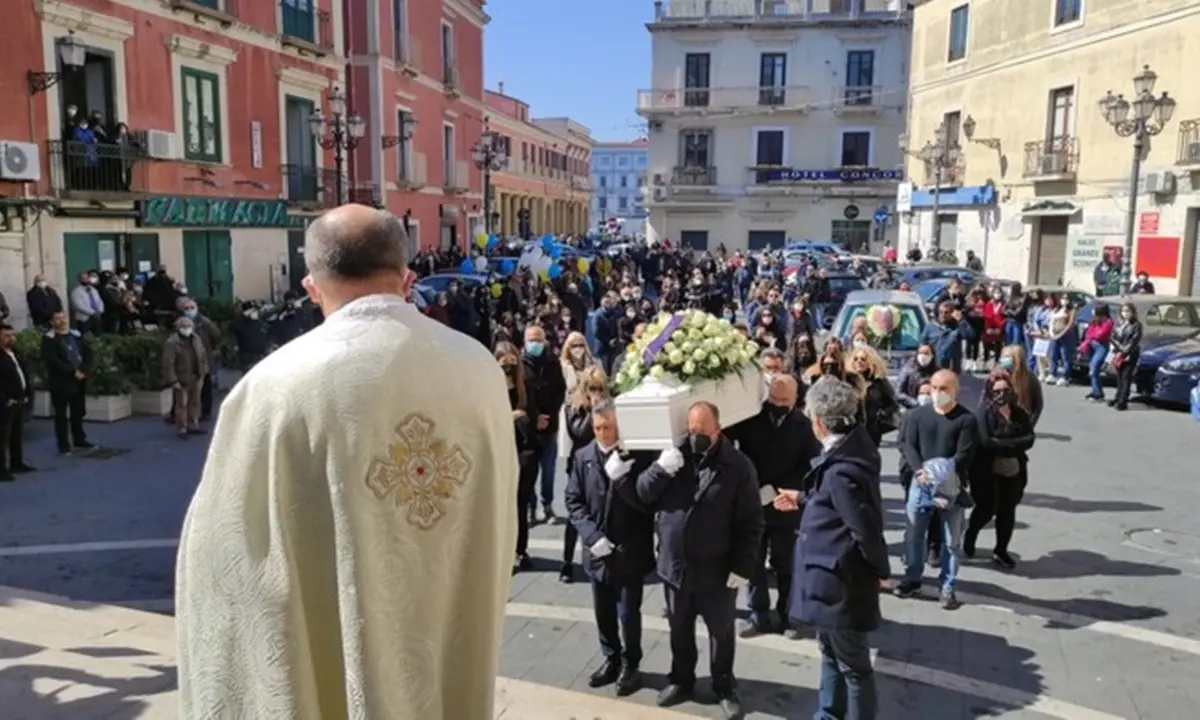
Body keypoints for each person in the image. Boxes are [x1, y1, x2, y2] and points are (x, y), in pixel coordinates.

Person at [175, 205, 518, 718]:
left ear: (312, 287)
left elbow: (225, 553)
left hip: (330, 642)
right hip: (450, 622)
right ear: (406, 278)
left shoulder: (274, 387)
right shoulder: (479, 368)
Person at [634, 402, 763, 718]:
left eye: (702, 432)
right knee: (679, 628)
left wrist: (743, 566)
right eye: (691, 431)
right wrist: (660, 470)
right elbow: (643, 494)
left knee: (720, 632)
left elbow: (751, 521)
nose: (695, 438)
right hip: (675, 567)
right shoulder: (674, 457)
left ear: (718, 430)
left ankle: (723, 685)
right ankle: (681, 679)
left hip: (716, 570)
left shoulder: (738, 466)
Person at [774, 376, 890, 720]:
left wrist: (881, 570)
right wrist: (803, 498)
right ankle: (828, 713)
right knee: (830, 651)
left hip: (838, 579)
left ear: (820, 423)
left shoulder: (842, 470)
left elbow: (864, 528)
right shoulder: (852, 451)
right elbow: (837, 504)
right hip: (832, 577)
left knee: (853, 666)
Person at [564, 400, 655, 697]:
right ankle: (611, 658)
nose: (603, 433)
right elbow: (574, 501)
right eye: (598, 427)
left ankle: (631, 663)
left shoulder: (636, 456)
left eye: (608, 427)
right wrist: (592, 537)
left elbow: (646, 502)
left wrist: (624, 478)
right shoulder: (583, 456)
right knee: (603, 612)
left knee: (628, 613)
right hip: (598, 553)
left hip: (629, 549)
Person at [726, 374, 820, 639]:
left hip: (785, 505)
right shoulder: (752, 419)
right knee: (753, 562)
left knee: (786, 565)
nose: (778, 404)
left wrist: (785, 492)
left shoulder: (803, 426)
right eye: (774, 398)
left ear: (795, 399)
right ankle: (758, 615)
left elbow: (810, 467)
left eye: (784, 400)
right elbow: (731, 447)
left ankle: (790, 616)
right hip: (753, 501)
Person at [896, 369, 977, 608]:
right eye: (934, 388)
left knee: (951, 542)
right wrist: (919, 470)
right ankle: (912, 578)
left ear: (956, 391)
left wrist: (943, 473)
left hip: (951, 487)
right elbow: (906, 444)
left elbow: (965, 453)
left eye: (944, 389)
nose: (938, 393)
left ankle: (948, 586)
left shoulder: (966, 420)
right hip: (920, 484)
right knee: (913, 535)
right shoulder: (916, 416)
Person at [966, 369, 1036, 569]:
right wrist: (1014, 443)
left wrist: (1004, 443)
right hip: (987, 471)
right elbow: (986, 442)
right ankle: (970, 536)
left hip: (1013, 470)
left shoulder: (1018, 412)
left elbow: (1029, 438)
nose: (1001, 395)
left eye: (1005, 390)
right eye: (997, 391)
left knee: (1007, 511)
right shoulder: (983, 413)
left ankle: (1001, 550)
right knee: (986, 509)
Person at [559, 365, 609, 583]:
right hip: (580, 464)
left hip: (604, 463)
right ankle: (567, 562)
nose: (596, 393)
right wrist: (592, 412)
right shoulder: (575, 404)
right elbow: (578, 432)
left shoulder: (609, 403)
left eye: (599, 388)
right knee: (575, 515)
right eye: (592, 388)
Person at [523, 324, 567, 524]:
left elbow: (560, 391)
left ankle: (547, 505)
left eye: (538, 340)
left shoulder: (552, 362)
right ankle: (531, 507)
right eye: (531, 339)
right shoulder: (520, 364)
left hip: (550, 425)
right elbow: (522, 396)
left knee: (548, 470)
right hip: (528, 427)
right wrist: (535, 416)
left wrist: (548, 415)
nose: (535, 343)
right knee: (529, 470)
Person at [40, 311, 94, 455]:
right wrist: (72, 371)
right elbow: (53, 360)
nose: (61, 321)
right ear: (52, 322)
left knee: (78, 412)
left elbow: (88, 353)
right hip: (61, 382)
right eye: (57, 319)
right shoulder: (49, 339)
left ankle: (79, 438)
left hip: (80, 380)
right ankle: (63, 444)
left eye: (63, 318)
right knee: (61, 415)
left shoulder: (76, 335)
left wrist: (84, 370)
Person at [162, 316, 210, 438]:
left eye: (189, 326)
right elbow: (168, 363)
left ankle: (193, 425)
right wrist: (173, 380)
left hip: (197, 375)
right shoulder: (172, 342)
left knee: (195, 402)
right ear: (178, 328)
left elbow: (203, 355)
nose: (187, 329)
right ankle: (181, 428)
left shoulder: (196, 339)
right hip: (181, 378)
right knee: (181, 405)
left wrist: (204, 372)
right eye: (184, 326)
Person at [0, 324, 36, 480]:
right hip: (6, 402)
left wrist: (27, 393)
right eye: (6, 335)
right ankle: (1, 469)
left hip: (20, 400)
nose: (11, 338)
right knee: (2, 437)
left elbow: (23, 374)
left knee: (16, 433)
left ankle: (17, 463)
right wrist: (5, 399)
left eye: (12, 335)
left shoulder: (15, 353)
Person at [920, 300, 974, 374]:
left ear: (952, 313)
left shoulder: (957, 327)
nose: (943, 315)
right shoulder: (930, 326)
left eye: (946, 312)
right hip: (933, 366)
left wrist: (961, 321)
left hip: (951, 368)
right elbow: (922, 344)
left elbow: (969, 335)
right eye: (941, 312)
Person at [1109, 301, 1143, 411]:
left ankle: (1123, 401)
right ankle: (1117, 397)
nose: (1125, 313)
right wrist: (1118, 350)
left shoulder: (1136, 325)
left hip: (1130, 354)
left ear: (1133, 312)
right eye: (1123, 311)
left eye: (1128, 311)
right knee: (1119, 377)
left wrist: (1124, 352)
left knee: (1126, 377)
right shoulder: (1119, 323)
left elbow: (1134, 341)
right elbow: (1113, 336)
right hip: (1118, 353)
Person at [1078, 303, 1114, 402]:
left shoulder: (1108, 322)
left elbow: (1101, 334)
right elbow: (1089, 332)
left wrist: (1093, 335)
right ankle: (1095, 391)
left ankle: (1098, 393)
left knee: (1094, 368)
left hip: (1101, 347)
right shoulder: (1095, 321)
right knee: (1093, 371)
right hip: (1091, 346)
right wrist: (1091, 336)